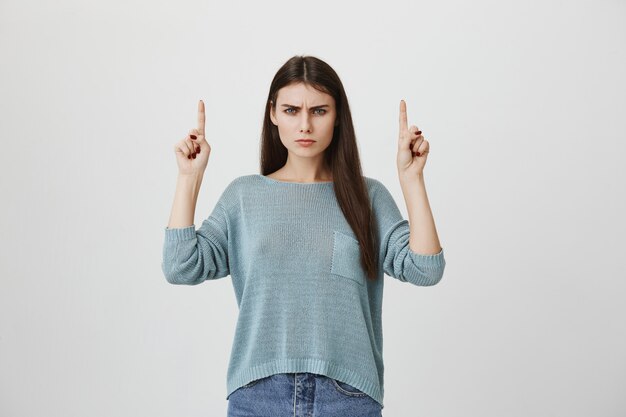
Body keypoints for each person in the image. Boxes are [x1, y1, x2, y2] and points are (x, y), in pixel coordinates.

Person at [162, 55, 446, 417]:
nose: (305, 125)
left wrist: (411, 179)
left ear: (338, 115)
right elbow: (180, 266)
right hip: (258, 394)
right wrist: (189, 178)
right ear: (273, 114)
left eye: (320, 111)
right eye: (292, 110)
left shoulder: (367, 197)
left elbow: (425, 268)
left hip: (347, 397)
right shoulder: (244, 197)